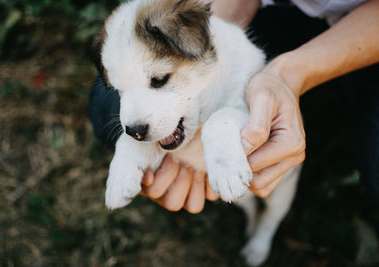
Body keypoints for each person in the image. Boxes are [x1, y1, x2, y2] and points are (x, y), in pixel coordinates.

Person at [89, 0, 379, 213]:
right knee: (105, 110)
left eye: (160, 79)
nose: (133, 122)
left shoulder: (196, 38)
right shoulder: (188, 35)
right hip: (271, 9)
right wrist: (130, 150)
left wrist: (290, 73)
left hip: (367, 28)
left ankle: (267, 232)